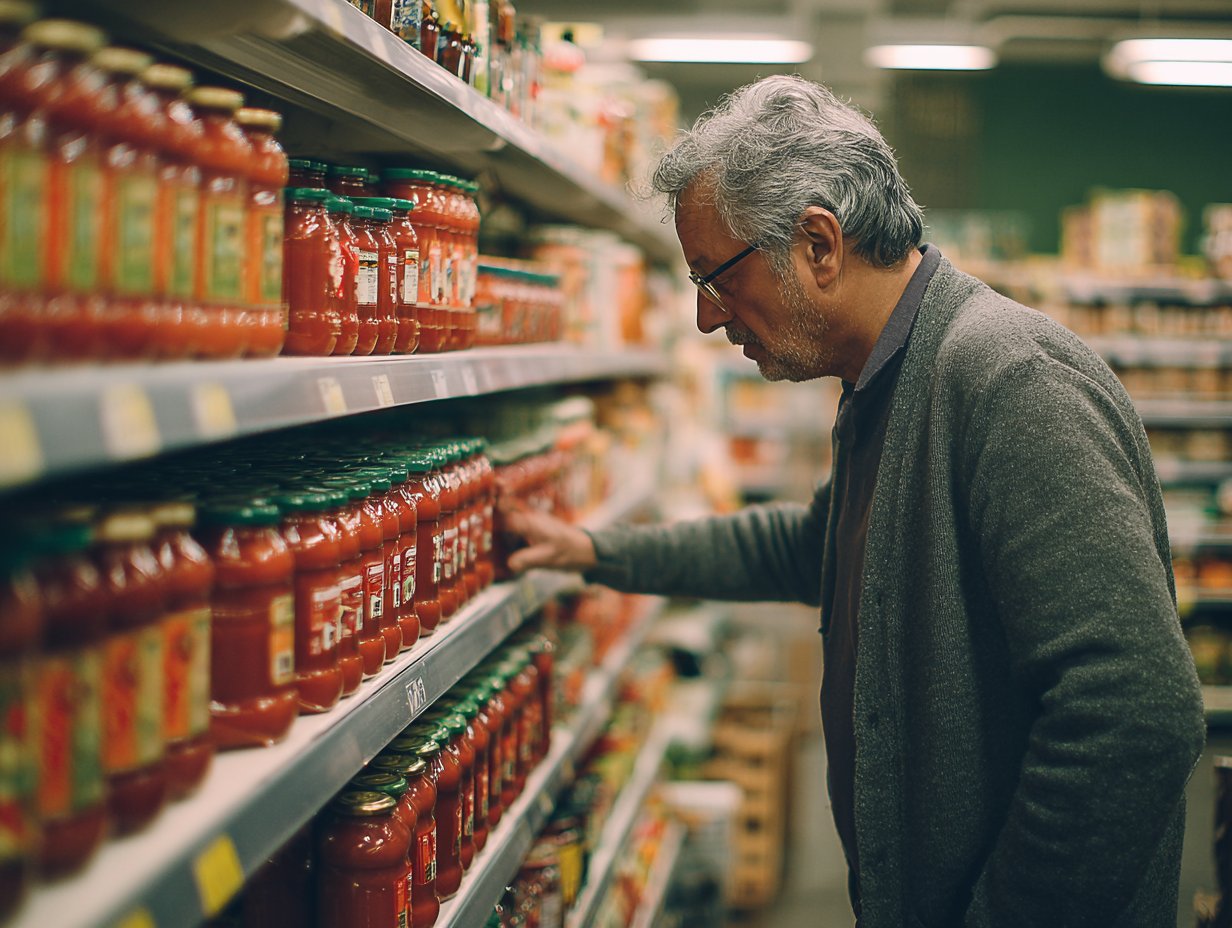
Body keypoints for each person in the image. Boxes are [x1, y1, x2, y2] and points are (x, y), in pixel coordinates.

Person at [502, 75, 1205, 927]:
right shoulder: (888, 382)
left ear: (820, 245)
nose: (705, 319)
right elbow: (812, 546)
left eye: (715, 278)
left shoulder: (1010, 383)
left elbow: (1134, 712)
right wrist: (592, 550)